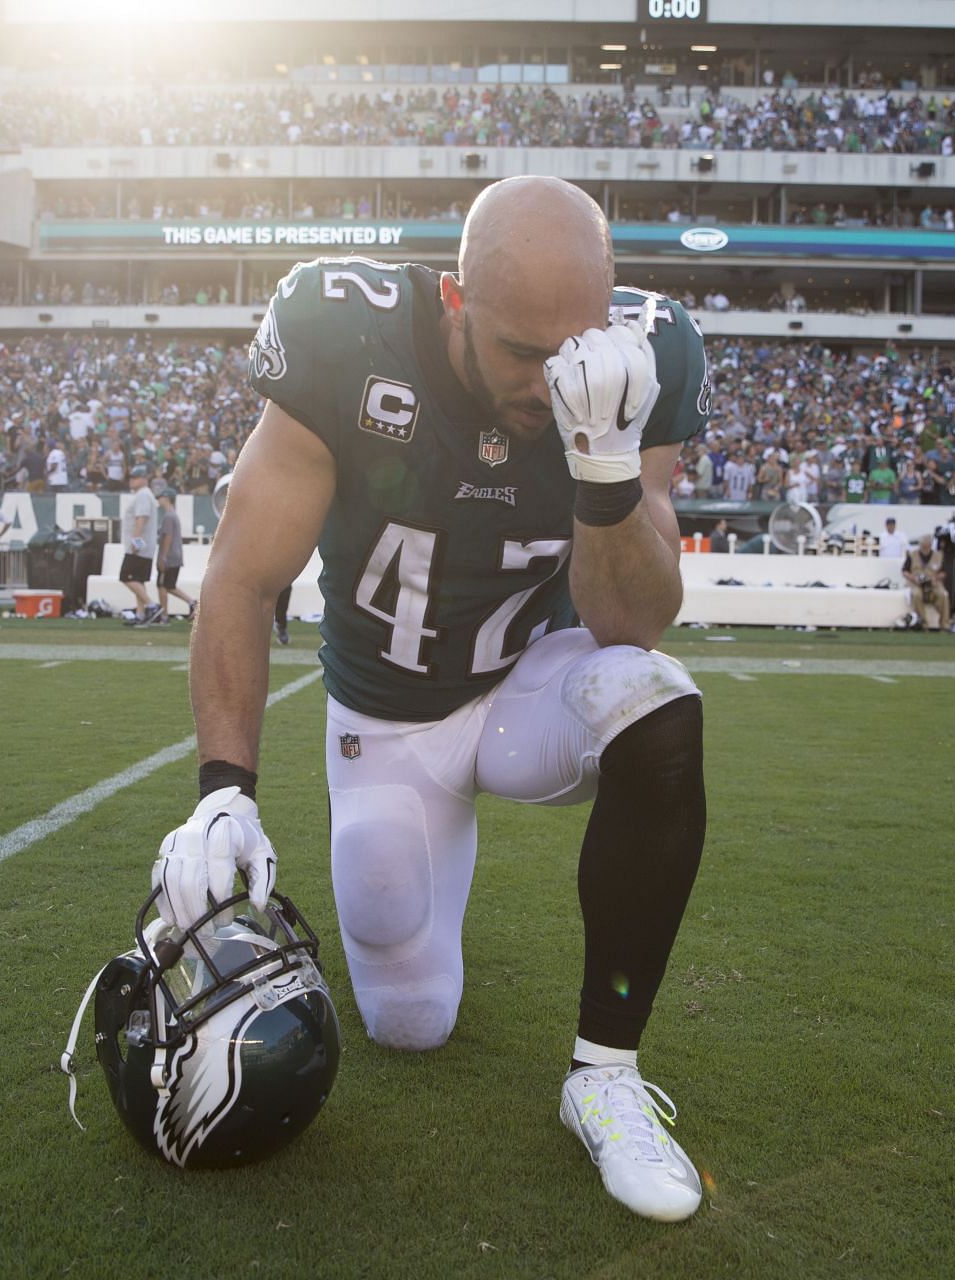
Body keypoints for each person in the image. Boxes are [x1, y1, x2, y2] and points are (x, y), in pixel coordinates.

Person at [154, 176, 710, 1222]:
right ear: (456, 300)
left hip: (529, 689)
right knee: (412, 1021)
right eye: (521, 353)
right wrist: (223, 788)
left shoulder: (647, 354)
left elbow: (633, 619)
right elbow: (239, 576)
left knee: (658, 699)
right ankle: (421, 882)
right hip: (390, 715)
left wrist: (604, 468)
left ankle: (606, 1072)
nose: (552, 382)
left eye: (572, 349)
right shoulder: (345, 336)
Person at [119, 471, 162, 625]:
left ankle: (151, 606)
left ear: (144, 479)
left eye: (135, 477)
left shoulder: (143, 495)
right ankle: (141, 614)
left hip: (139, 546)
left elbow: (141, 519)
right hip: (146, 546)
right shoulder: (145, 495)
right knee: (138, 580)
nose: (131, 480)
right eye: (130, 477)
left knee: (126, 576)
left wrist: (135, 543)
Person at [153, 489, 196, 621]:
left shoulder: (169, 516)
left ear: (166, 498)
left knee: (162, 585)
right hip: (175, 555)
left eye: (160, 498)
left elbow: (168, 537)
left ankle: (164, 615)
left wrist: (162, 557)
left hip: (169, 556)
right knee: (169, 586)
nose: (159, 500)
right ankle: (192, 603)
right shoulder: (173, 515)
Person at [903, 534, 950, 630]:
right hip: (916, 583)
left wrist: (935, 578)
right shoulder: (912, 555)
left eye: (926, 545)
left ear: (930, 545)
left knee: (943, 595)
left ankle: (944, 624)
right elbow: (905, 571)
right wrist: (913, 578)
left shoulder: (938, 556)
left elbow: (944, 573)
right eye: (922, 545)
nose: (924, 547)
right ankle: (924, 623)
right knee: (916, 595)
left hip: (933, 583)